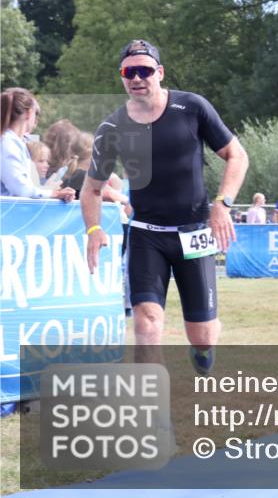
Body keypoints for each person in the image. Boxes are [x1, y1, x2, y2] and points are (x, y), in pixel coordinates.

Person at [82, 39, 249, 375]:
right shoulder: (112, 128)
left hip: (194, 234)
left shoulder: (192, 107)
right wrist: (94, 229)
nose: (137, 78)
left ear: (159, 72)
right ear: (122, 77)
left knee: (202, 335)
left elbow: (237, 155)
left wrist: (223, 203)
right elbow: (92, 189)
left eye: (145, 70)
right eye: (129, 72)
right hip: (147, 235)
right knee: (147, 322)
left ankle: (203, 348)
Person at [1, 88, 75, 201]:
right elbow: (20, 188)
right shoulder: (7, 143)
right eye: (36, 113)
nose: (36, 120)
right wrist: (53, 194)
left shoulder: (13, 142)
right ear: (28, 113)